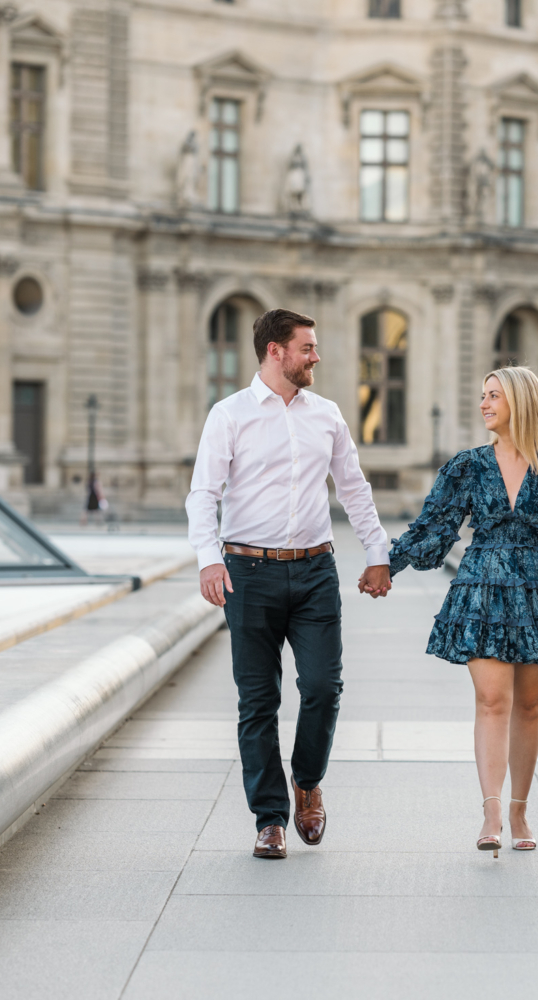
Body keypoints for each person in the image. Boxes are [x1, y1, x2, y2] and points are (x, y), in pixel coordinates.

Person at [186, 308, 392, 860]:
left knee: (324, 687)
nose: (316, 357)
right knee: (258, 702)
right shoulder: (228, 416)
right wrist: (209, 559)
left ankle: (307, 780)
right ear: (275, 351)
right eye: (307, 348)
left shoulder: (326, 415)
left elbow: (354, 488)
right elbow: (204, 494)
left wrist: (378, 553)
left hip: (314, 570)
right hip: (247, 573)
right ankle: (270, 818)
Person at [388, 367, 538, 857]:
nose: (484, 404)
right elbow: (435, 526)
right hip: (481, 590)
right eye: (482, 395)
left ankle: (519, 810)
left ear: (521, 402)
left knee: (529, 706)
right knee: (492, 701)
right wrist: (387, 565)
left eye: (494, 396)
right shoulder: (467, 465)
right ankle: (490, 810)